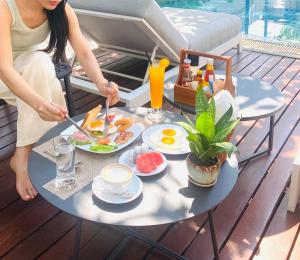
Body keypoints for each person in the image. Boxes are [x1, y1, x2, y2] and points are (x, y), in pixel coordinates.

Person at [0, 0, 120, 201]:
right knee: (39, 64)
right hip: (4, 76)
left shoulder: (60, 8)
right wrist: (39, 105)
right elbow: (4, 68)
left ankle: (42, 153)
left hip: (32, 73)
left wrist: (101, 82)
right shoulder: (5, 7)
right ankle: (23, 155)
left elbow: (83, 51)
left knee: (40, 64)